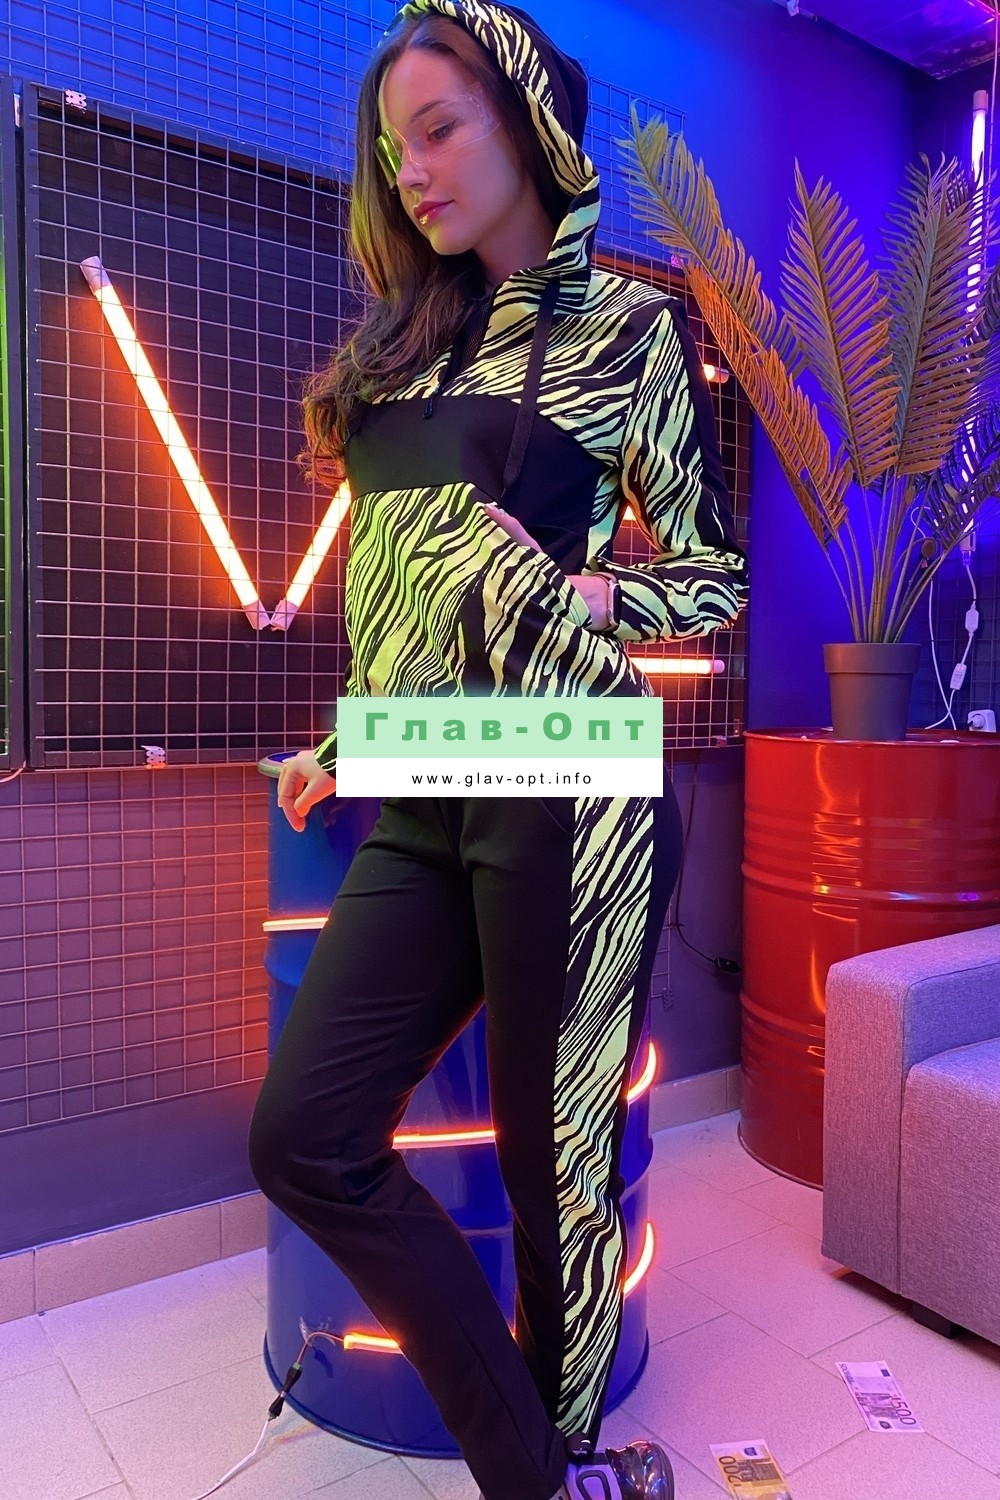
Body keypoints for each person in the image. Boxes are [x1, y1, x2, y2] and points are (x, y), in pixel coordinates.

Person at [248, 3, 749, 1498]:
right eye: (393, 147)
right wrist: (350, 734)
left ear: (527, 123)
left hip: (572, 791)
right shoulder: (405, 346)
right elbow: (401, 584)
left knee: (553, 1166)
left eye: (440, 129)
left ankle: (558, 1466)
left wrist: (596, 591)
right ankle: (544, 1473)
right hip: (426, 788)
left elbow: (715, 584)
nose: (412, 171)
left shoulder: (630, 334)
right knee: (307, 1135)